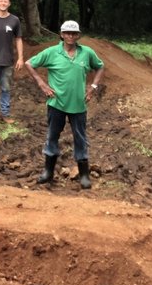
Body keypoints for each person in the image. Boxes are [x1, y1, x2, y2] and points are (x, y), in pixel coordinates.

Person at [24, 20, 105, 189]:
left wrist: (93, 87)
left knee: (80, 138)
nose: (70, 36)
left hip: (78, 105)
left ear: (78, 35)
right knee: (52, 136)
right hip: (56, 104)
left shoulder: (86, 53)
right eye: (67, 33)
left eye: (74, 33)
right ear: (61, 34)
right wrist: (41, 83)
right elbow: (29, 63)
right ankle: (48, 172)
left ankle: (84, 174)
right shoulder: (52, 52)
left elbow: (100, 66)